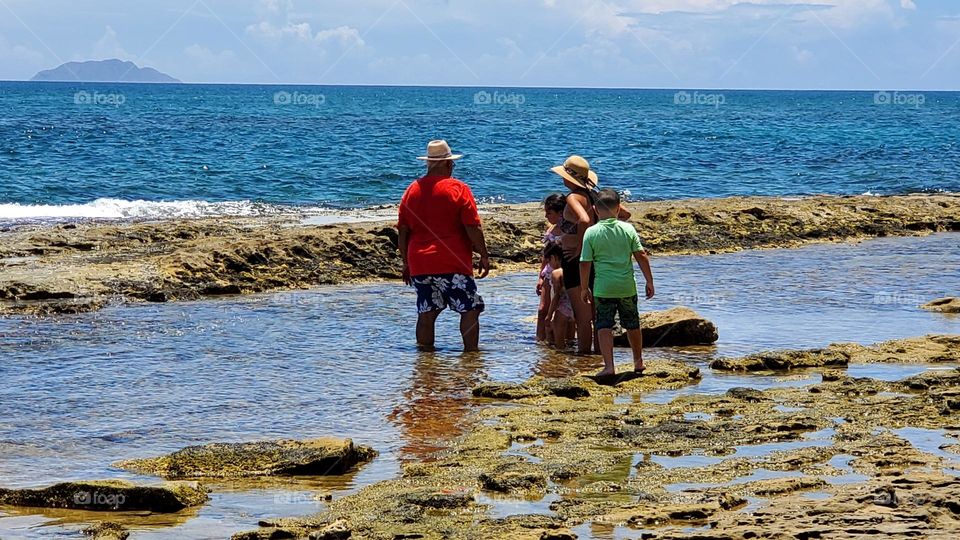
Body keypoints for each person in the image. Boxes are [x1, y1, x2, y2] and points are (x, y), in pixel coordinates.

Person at [397, 140, 490, 352]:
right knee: (469, 309)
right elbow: (472, 226)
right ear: (448, 164)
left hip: (419, 261)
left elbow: (403, 230)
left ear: (428, 163)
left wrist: (406, 262)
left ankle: (424, 359)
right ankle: (471, 356)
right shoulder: (458, 189)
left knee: (426, 311)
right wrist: (484, 254)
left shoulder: (412, 190)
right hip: (452, 261)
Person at [551, 156, 631, 354]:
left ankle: (584, 358)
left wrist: (579, 247)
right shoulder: (595, 196)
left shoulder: (573, 197)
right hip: (598, 258)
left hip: (576, 262)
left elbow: (584, 220)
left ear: (568, 178)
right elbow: (624, 214)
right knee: (597, 316)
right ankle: (599, 357)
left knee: (583, 318)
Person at [579, 188, 654, 377]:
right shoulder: (628, 229)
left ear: (595, 210)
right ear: (619, 208)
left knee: (604, 326)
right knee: (632, 324)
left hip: (603, 289)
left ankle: (609, 366)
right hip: (626, 287)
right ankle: (638, 362)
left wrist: (584, 287)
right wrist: (649, 281)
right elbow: (641, 255)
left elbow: (585, 263)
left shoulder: (591, 232)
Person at [536, 193, 565, 343]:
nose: (546, 216)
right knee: (543, 309)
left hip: (562, 274)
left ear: (560, 213)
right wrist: (540, 276)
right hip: (548, 273)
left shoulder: (569, 230)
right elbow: (545, 255)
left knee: (563, 311)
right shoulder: (551, 230)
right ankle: (540, 341)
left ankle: (563, 341)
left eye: (549, 213)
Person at [543, 241, 576, 350]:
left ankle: (557, 358)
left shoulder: (556, 273)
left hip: (563, 308)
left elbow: (557, 296)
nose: (549, 264)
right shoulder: (573, 268)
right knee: (571, 342)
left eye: (549, 261)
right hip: (576, 307)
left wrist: (549, 315)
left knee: (559, 345)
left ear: (554, 257)